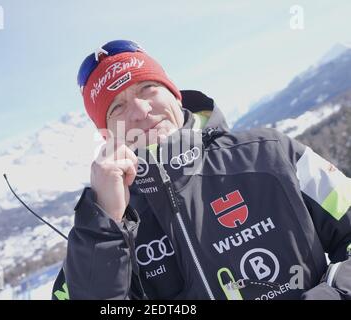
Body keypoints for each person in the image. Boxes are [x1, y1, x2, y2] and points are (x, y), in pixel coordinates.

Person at [52, 40, 351, 300]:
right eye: (117, 107)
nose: (141, 112)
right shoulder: (100, 223)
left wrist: (332, 294)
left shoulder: (270, 154)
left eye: (147, 88)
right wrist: (105, 223)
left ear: (174, 93)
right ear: (106, 135)